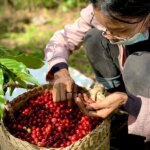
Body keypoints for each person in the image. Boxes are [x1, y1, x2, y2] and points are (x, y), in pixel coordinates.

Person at [44, 0, 150, 146]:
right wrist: (60, 72)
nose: (109, 36)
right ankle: (118, 107)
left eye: (120, 29)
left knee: (138, 65)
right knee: (94, 36)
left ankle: (141, 124)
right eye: (105, 27)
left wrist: (132, 103)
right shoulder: (102, 7)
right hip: (127, 89)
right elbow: (62, 39)